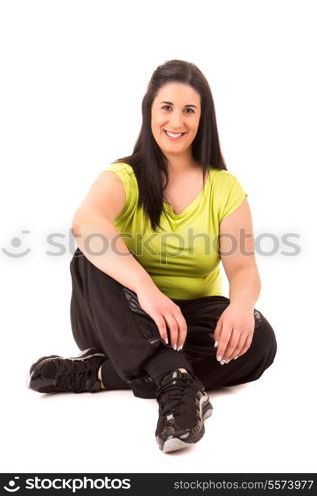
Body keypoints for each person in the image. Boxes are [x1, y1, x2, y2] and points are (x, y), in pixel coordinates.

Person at [27, 59, 277, 453]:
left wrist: (242, 306)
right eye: (166, 107)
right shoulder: (123, 176)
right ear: (149, 111)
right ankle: (176, 381)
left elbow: (243, 266)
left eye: (188, 110)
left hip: (187, 321)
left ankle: (100, 373)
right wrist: (145, 288)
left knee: (260, 340)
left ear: (202, 118)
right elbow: (86, 221)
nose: (176, 120)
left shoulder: (225, 187)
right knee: (89, 252)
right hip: (116, 318)